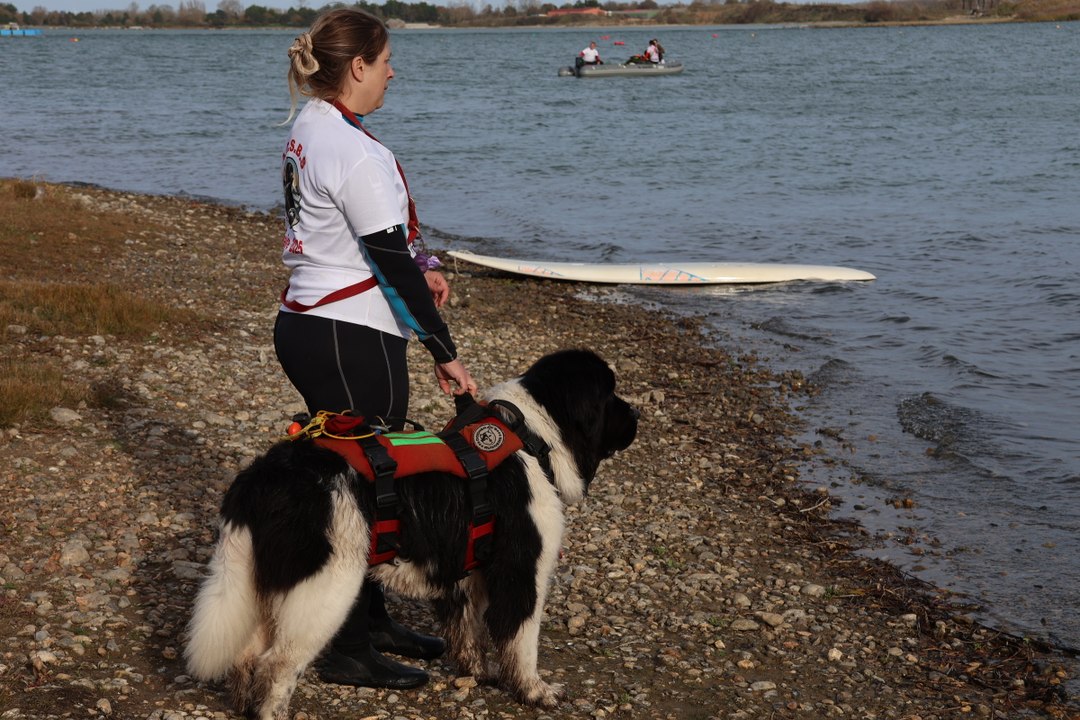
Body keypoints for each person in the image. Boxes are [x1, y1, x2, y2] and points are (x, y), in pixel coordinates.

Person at [276, 7, 478, 690]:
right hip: (345, 332)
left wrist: (423, 263)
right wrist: (444, 351)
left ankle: (372, 623)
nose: (395, 70)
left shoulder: (314, 124)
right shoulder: (355, 149)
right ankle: (343, 647)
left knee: (360, 482)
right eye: (387, 59)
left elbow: (381, 242)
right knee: (365, 490)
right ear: (358, 66)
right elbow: (388, 258)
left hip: (313, 323)